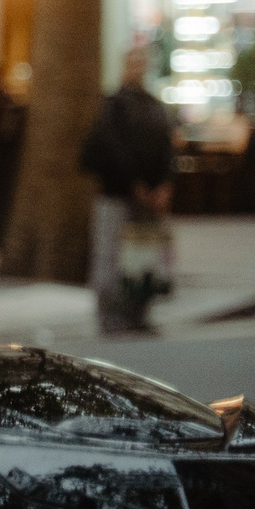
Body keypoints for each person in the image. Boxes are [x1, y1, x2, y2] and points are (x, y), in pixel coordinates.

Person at [80, 47, 177, 334]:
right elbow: (111, 147)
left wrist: (164, 184)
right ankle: (108, 315)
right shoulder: (112, 105)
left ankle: (138, 312)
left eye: (141, 62)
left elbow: (167, 149)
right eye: (132, 61)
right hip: (117, 195)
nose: (137, 67)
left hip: (148, 197)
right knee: (110, 256)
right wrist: (135, 184)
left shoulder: (154, 106)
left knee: (145, 256)